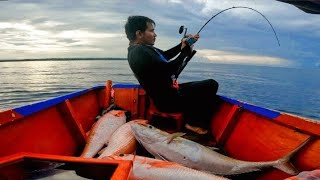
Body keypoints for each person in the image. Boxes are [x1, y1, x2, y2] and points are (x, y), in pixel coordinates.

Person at [125, 15, 219, 134]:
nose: (155, 34)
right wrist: (185, 51)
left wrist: (184, 44)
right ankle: (192, 123)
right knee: (211, 85)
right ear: (139, 33)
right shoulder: (138, 52)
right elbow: (169, 70)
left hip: (170, 94)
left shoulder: (144, 49)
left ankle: (192, 121)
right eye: (151, 31)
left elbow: (166, 55)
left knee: (208, 89)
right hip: (168, 101)